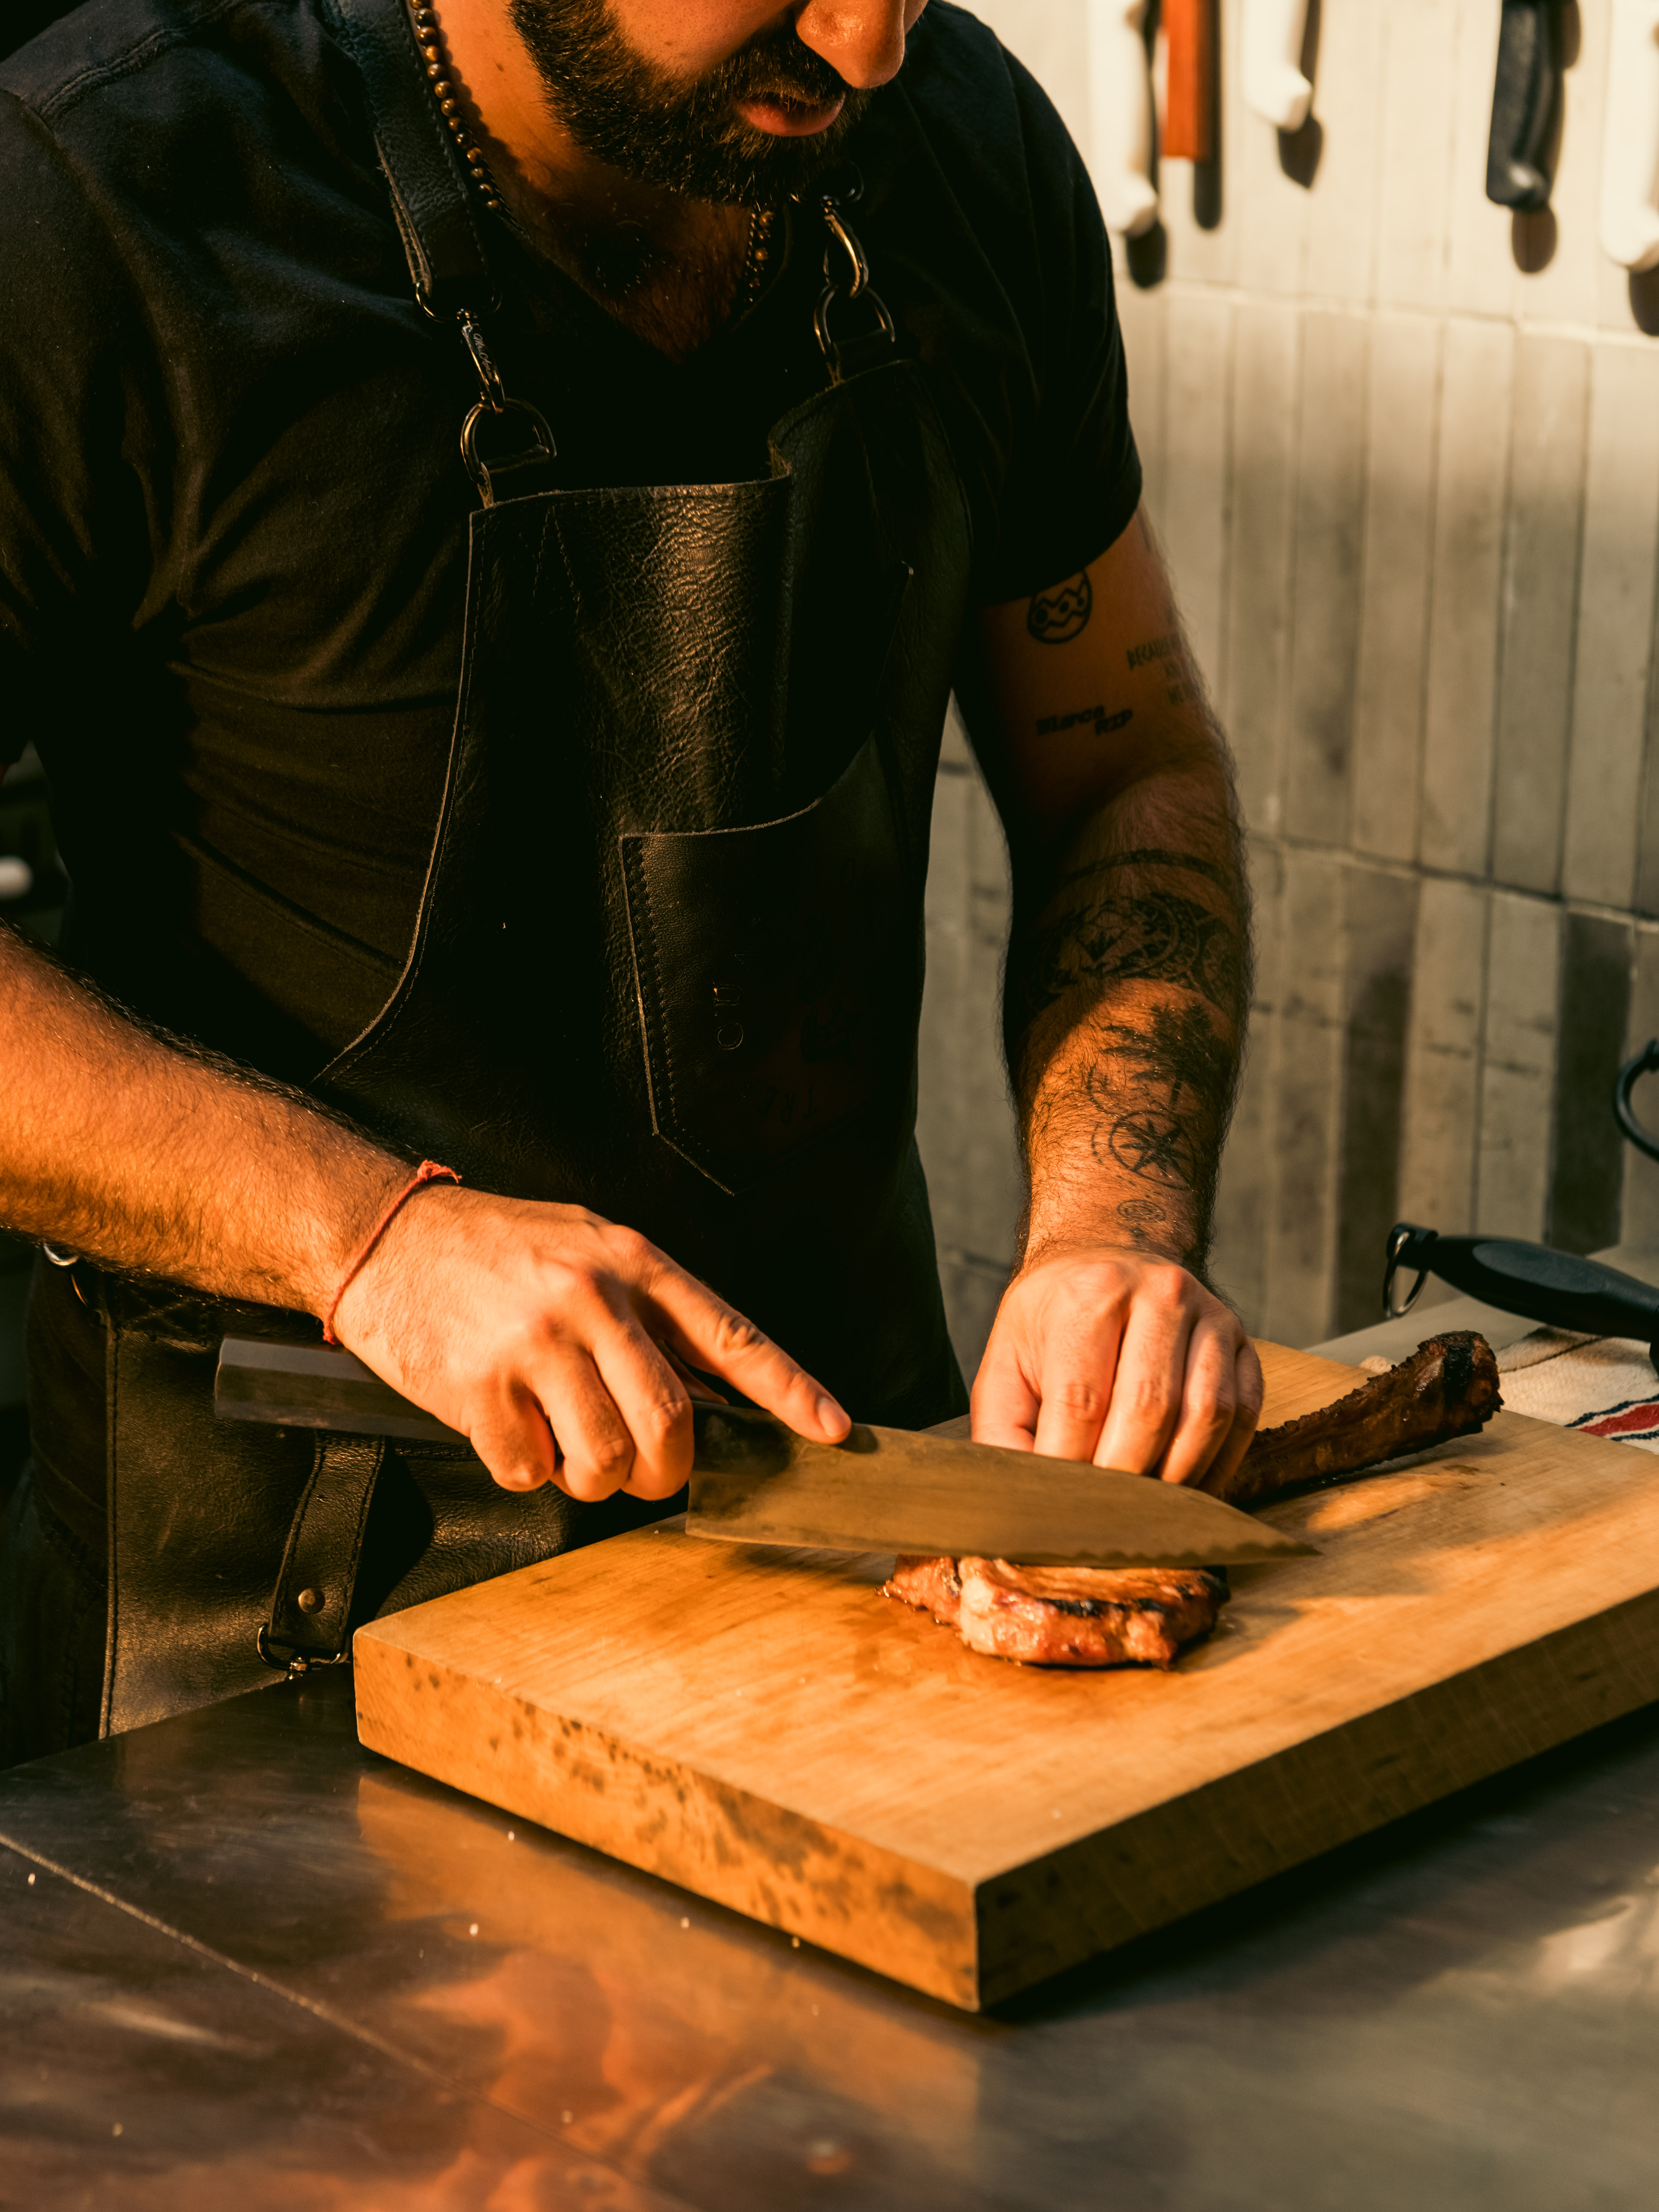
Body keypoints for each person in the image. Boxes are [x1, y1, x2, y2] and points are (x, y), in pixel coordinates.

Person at [0, 0, 1260, 1760]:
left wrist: (1111, 1222)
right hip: (269, 1630)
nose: (870, 44)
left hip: (848, 1549)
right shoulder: (107, 191)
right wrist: (366, 1235)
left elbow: (1125, 769)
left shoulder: (960, 161)